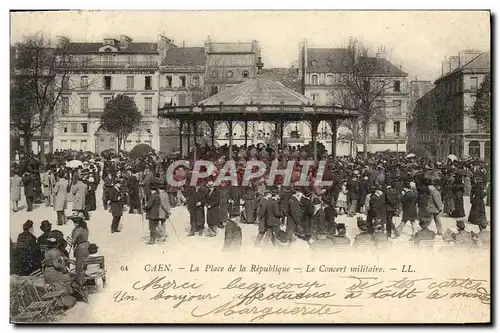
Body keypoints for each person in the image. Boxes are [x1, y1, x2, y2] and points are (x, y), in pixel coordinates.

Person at [68, 213, 90, 286]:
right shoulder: (85, 228)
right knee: (85, 264)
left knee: (79, 265)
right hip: (87, 245)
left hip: (80, 247)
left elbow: (73, 241)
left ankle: (79, 282)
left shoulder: (78, 230)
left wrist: (69, 240)